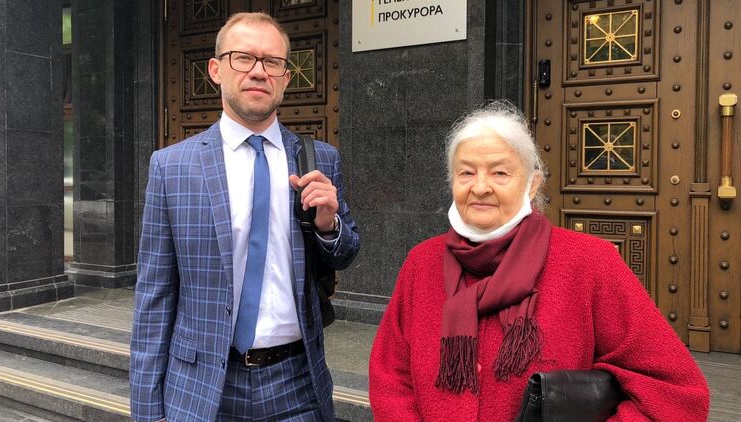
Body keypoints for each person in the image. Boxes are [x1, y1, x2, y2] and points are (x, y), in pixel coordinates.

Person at [368, 102, 709, 421]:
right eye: (466, 173)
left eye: (500, 173)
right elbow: (390, 376)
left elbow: (675, 391)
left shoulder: (589, 262)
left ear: (531, 185)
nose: (480, 187)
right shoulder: (422, 262)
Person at [130, 12, 360, 422]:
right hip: (201, 389)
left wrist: (329, 225)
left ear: (286, 78)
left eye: (272, 61)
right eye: (243, 58)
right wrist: (147, 411)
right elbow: (155, 295)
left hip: (297, 385)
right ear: (216, 70)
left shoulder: (320, 158)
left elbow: (345, 253)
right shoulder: (171, 167)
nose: (258, 71)